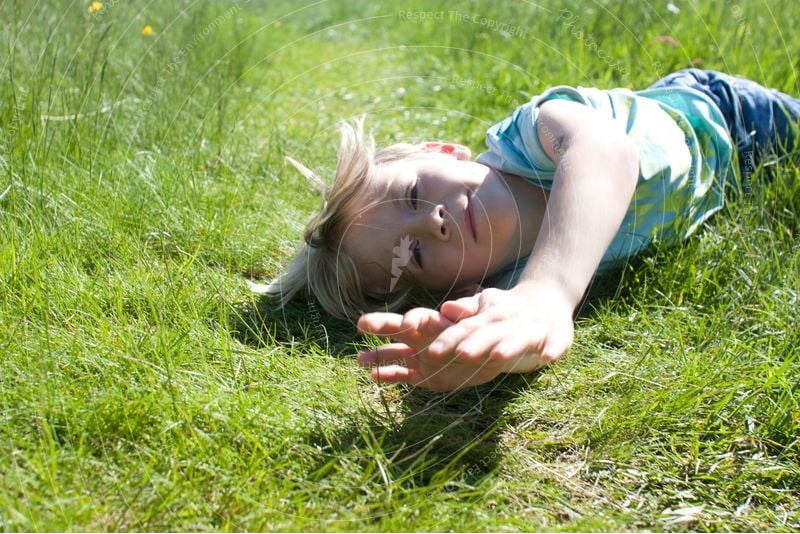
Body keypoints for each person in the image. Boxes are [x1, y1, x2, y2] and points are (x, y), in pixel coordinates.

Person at [255, 69, 800, 392]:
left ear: (444, 151)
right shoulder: (503, 283)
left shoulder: (534, 133)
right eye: (413, 253)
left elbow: (605, 152)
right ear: (450, 290)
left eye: (414, 195)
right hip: (729, 190)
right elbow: (527, 337)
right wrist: (471, 351)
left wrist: (550, 292)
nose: (432, 221)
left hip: (729, 117)